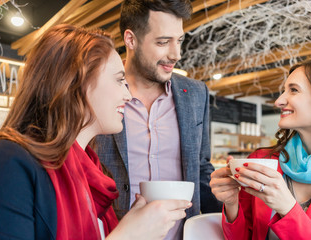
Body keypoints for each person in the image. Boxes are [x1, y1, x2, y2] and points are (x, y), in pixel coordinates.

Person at [0, 24, 192, 240]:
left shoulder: (92, 172)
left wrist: (133, 225)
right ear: (77, 81)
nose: (128, 95)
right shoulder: (9, 160)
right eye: (119, 80)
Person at [95, 0, 222, 239]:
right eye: (163, 42)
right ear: (131, 39)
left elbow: (201, 168)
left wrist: (229, 210)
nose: (176, 54)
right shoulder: (100, 90)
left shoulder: (196, 93)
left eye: (179, 41)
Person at [209, 58, 311, 239]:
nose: (278, 101)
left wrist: (288, 209)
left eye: (293, 90)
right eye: (284, 90)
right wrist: (231, 204)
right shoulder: (261, 160)